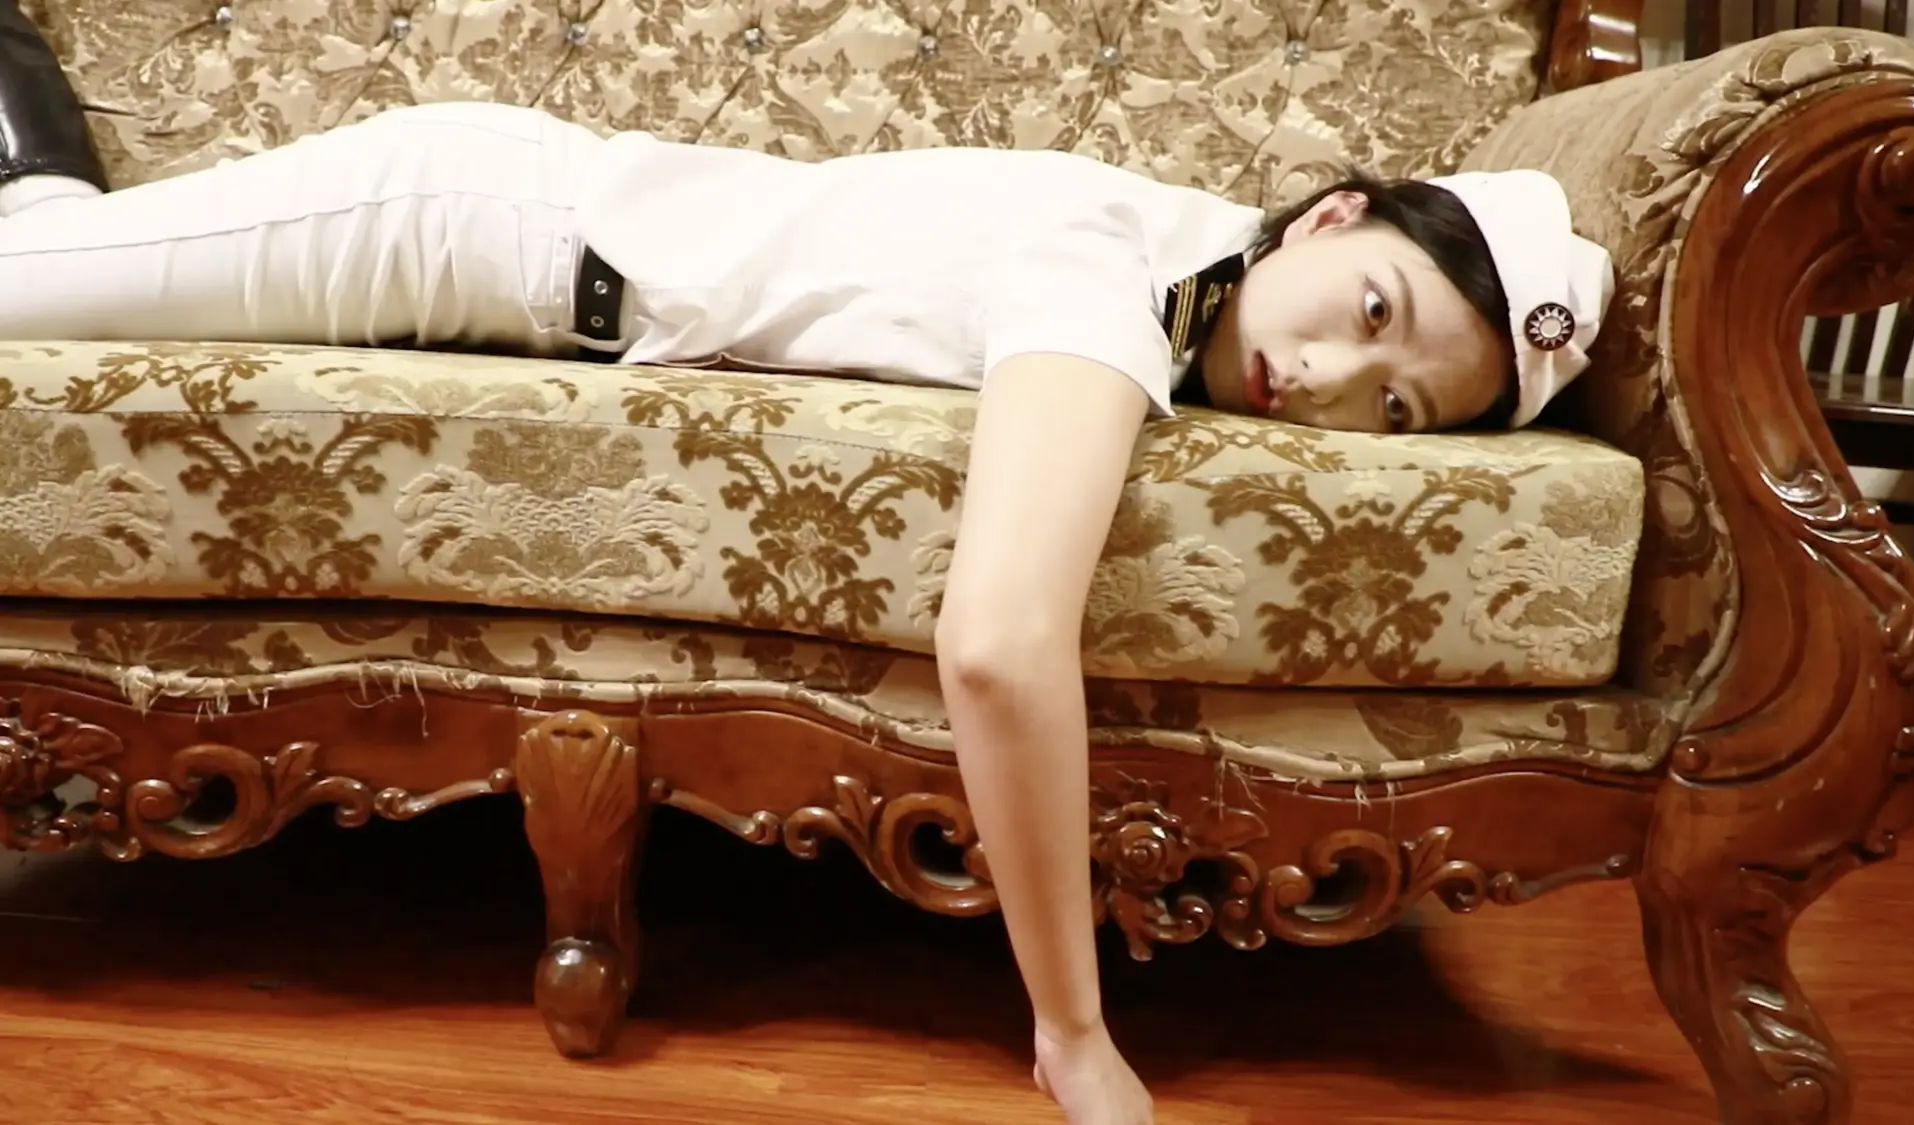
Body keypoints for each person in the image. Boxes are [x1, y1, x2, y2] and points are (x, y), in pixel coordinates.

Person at [0, 6, 1613, 1123]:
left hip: (514, 252)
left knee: (51, 252)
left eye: (1396, 407)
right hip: (461, 225)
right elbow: (998, 645)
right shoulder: (1116, 286)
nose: (1327, 380)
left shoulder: (1188, 277)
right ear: (1330, 218)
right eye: (1376, 310)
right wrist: (1074, 1035)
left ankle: (34, 152)